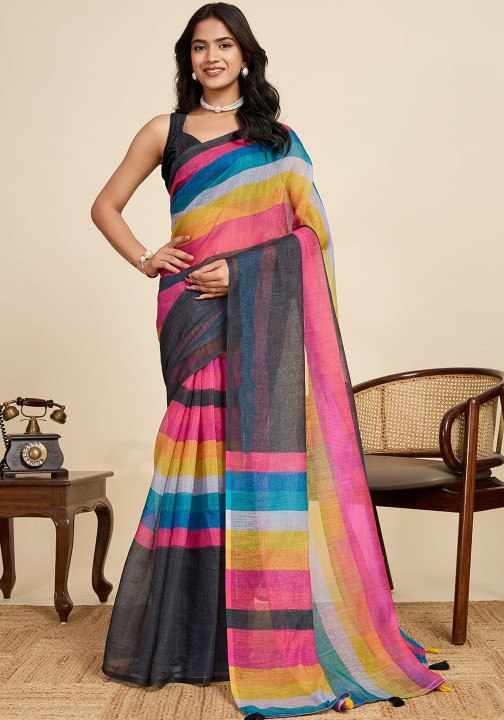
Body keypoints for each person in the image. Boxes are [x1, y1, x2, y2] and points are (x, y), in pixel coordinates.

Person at [90, 4, 450, 718]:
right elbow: (106, 205)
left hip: (260, 319)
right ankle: (191, 640)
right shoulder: (164, 131)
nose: (212, 57)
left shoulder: (278, 142)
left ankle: (261, 637)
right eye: (200, 47)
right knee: (194, 461)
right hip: (191, 313)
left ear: (246, 57)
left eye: (224, 45)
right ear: (188, 60)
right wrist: (145, 258)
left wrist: (244, 272)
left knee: (257, 464)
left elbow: (312, 237)